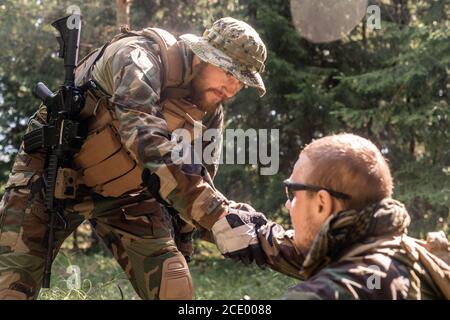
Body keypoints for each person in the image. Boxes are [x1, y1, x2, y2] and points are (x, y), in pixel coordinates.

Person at [0, 17, 268, 300]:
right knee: (9, 289)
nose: (233, 87)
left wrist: (196, 235)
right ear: (203, 57)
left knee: (173, 288)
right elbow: (144, 138)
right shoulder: (138, 57)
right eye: (229, 72)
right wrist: (216, 213)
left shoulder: (208, 109)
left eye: (242, 81)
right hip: (55, 174)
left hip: (127, 193)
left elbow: (198, 178)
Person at [213, 133, 450, 299]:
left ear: (322, 203)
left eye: (292, 193)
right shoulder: (417, 259)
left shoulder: (326, 294)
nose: (288, 204)